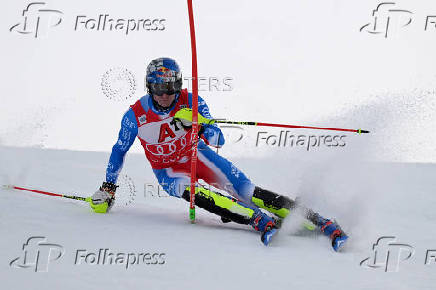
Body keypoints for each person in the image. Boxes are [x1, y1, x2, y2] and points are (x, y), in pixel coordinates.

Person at [90, 57, 348, 250]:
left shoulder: (191, 101)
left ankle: (318, 221)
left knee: (246, 191)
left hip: (197, 156)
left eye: (171, 88)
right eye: (159, 89)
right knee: (195, 193)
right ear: (150, 88)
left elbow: (218, 139)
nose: (166, 95)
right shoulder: (134, 116)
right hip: (168, 170)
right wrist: (108, 187)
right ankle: (256, 220)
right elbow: (119, 150)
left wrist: (199, 123)